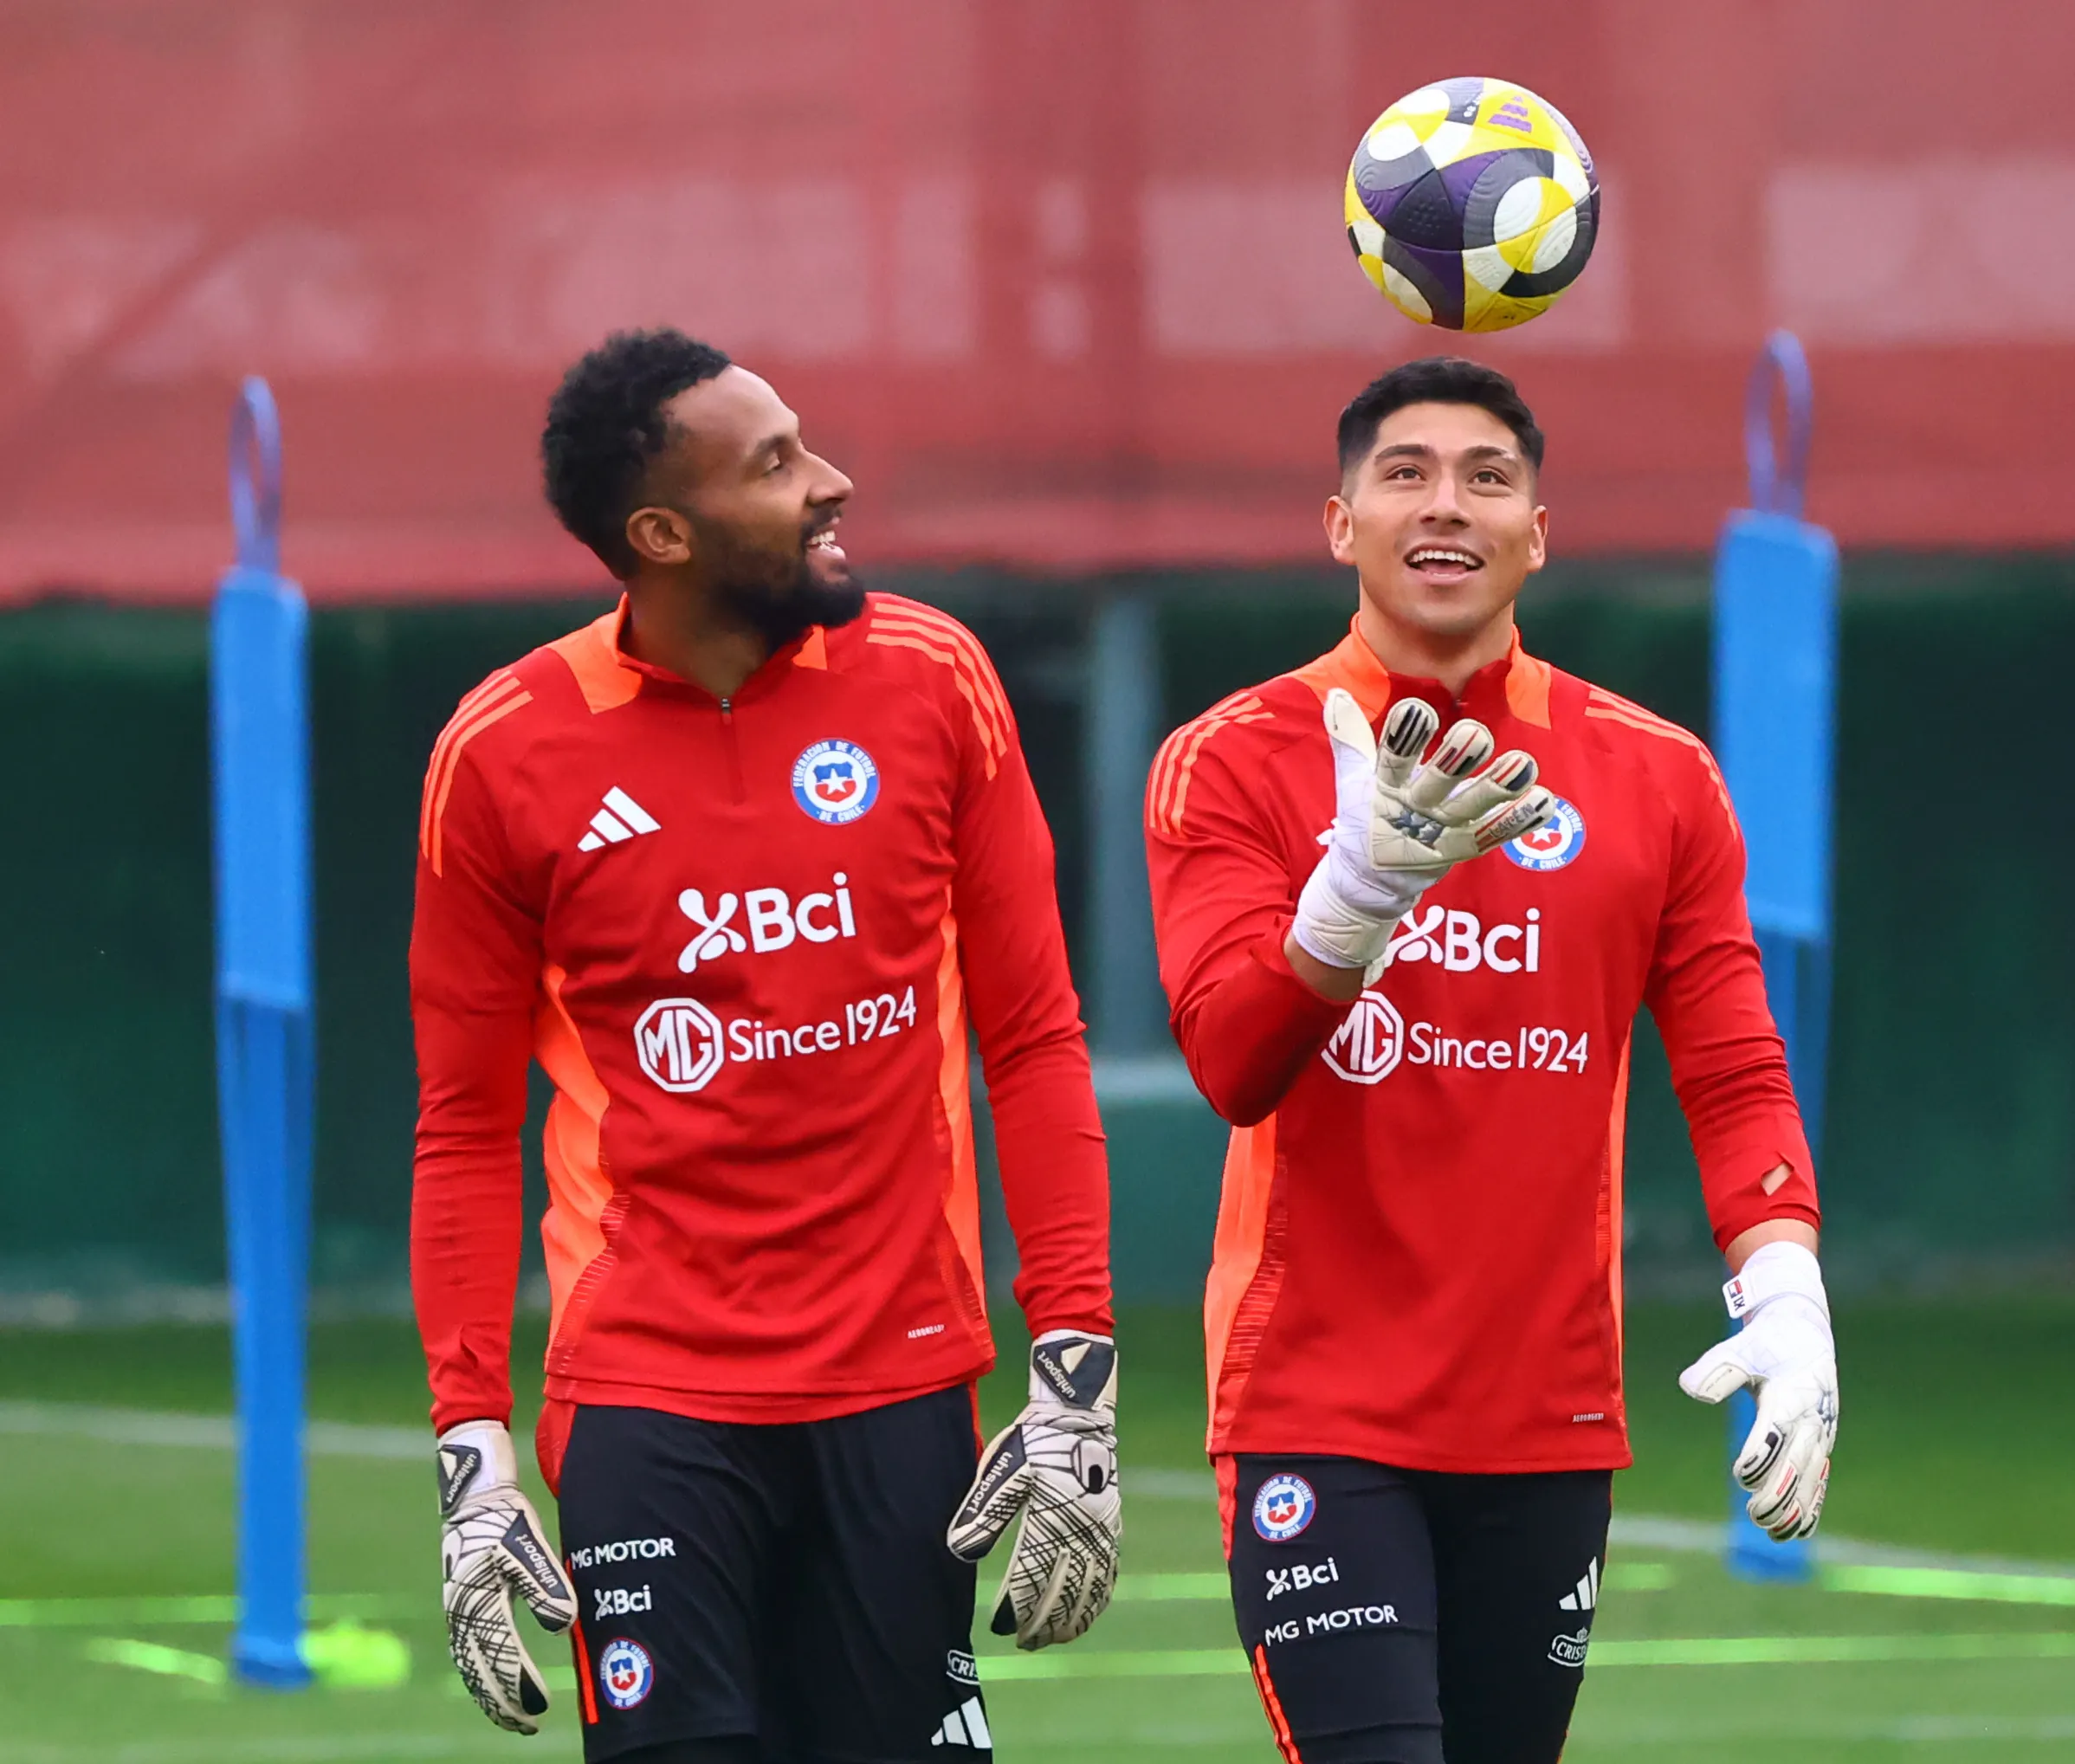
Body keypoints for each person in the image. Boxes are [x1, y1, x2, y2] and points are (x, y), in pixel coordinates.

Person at [410, 327, 1118, 1763]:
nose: (833, 484)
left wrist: (1075, 1371)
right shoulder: (503, 751)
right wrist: (470, 1444)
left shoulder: (935, 678)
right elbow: (466, 1124)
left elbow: (1035, 1038)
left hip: (904, 1381)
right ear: (661, 534)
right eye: (779, 464)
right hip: (647, 1396)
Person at [1144, 356, 1840, 1764]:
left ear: (1538, 528)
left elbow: (1731, 1064)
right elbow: (1231, 1061)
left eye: (1487, 477)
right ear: (1340, 522)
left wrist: (1786, 1285)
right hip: (1317, 1407)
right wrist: (1354, 896)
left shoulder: (1654, 775)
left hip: (1547, 1413)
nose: (1444, 505)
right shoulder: (1231, 760)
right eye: (1403, 474)